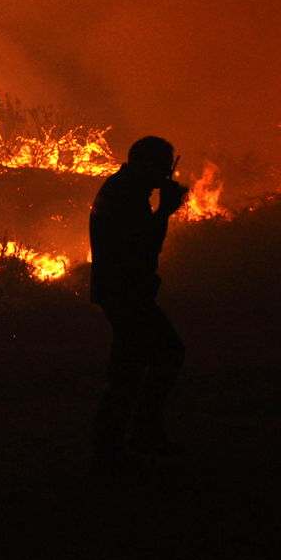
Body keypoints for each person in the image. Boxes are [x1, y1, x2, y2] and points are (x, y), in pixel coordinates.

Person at [89, 136, 189, 470]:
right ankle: (119, 446)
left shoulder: (125, 189)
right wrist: (165, 212)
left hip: (123, 289)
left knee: (135, 363)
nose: (166, 174)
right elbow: (135, 242)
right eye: (163, 166)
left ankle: (125, 440)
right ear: (145, 163)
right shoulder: (126, 195)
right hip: (125, 290)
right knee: (159, 356)